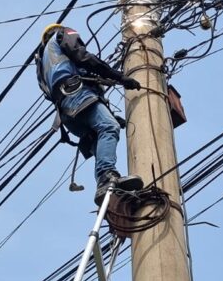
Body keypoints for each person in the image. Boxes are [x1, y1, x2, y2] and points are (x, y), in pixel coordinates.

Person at [36, 23, 143, 205]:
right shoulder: (62, 34)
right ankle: (106, 176)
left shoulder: (42, 64)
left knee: (99, 138)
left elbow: (52, 90)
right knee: (109, 127)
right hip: (78, 96)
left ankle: (110, 188)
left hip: (67, 113)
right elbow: (83, 57)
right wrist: (120, 77)